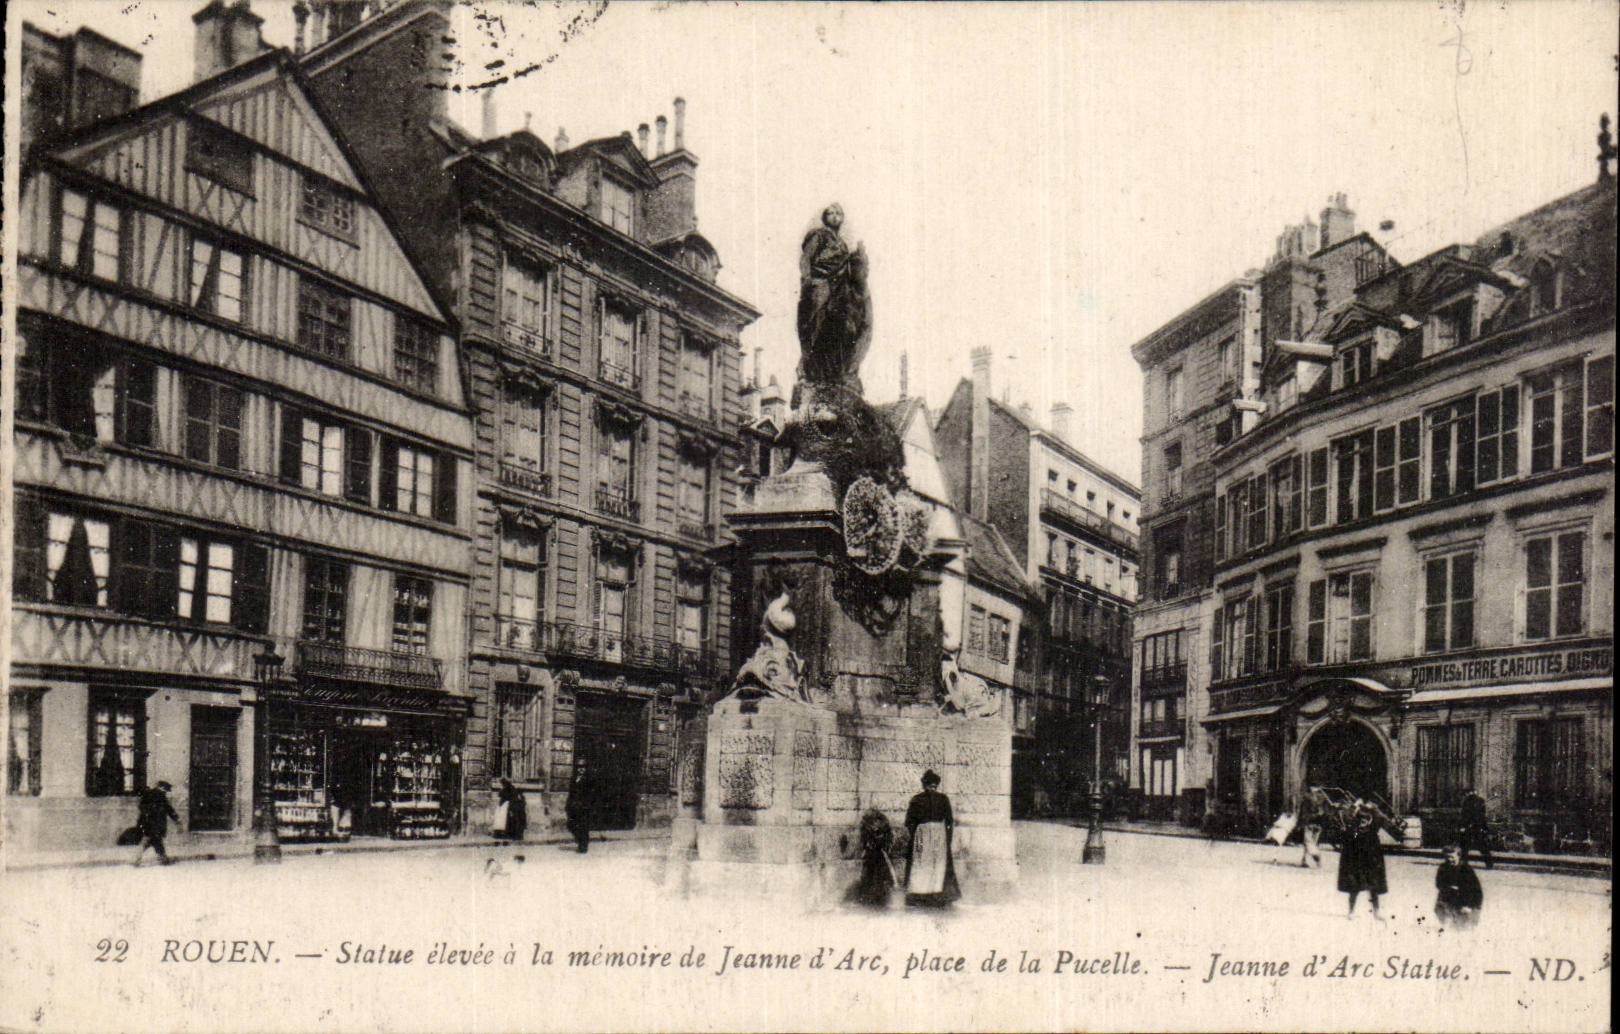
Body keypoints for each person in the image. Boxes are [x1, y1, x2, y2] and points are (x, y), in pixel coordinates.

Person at [795, 203, 872, 394]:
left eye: (839, 214)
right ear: (824, 217)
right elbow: (806, 260)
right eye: (832, 213)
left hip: (838, 287)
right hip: (820, 284)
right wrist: (808, 280)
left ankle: (838, 368)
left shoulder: (843, 244)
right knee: (816, 323)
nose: (836, 217)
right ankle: (810, 365)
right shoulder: (818, 235)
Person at [903, 770, 960, 908]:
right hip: (938, 835)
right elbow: (949, 821)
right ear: (936, 784)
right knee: (937, 863)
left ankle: (920, 894)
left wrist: (916, 835)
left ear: (924, 785)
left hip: (922, 834)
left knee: (922, 863)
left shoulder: (916, 799)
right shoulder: (943, 799)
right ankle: (936, 893)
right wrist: (947, 838)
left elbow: (909, 822)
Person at [1338, 799, 1397, 919]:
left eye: (1366, 819)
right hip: (1357, 862)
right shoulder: (1354, 830)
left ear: (1370, 820)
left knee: (1374, 887)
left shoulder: (1373, 829)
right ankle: (1351, 911)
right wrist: (1354, 806)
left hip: (1371, 862)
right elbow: (1346, 818)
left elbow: (1384, 820)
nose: (1363, 822)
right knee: (1354, 887)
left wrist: (1374, 808)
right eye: (1361, 819)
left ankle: (1376, 912)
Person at [848, 807, 896, 908]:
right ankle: (875, 897)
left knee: (876, 877)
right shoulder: (873, 827)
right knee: (873, 877)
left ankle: (875, 897)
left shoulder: (881, 827)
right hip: (874, 856)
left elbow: (887, 840)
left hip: (877, 856)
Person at [1434, 844, 1484, 930]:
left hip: (1470, 902)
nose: (1449, 860)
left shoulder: (1466, 869)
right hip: (1454, 899)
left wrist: (1468, 906)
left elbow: (1474, 890)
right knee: (1439, 909)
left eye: (1452, 857)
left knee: (1464, 928)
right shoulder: (1443, 868)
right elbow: (1439, 884)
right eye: (1447, 857)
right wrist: (1449, 888)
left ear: (1458, 856)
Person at [133, 781, 180, 867]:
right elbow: (168, 809)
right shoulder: (160, 796)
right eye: (165, 790)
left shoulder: (148, 794)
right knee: (152, 841)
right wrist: (176, 819)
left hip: (147, 823)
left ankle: (162, 859)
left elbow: (141, 807)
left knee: (152, 841)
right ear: (161, 788)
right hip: (154, 824)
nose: (166, 792)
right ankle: (162, 859)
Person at [1459, 789, 1493, 869]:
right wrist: (1485, 827)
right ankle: (1489, 863)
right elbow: (1483, 816)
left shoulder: (1466, 801)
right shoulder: (1481, 801)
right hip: (1478, 826)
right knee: (1481, 845)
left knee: (1465, 846)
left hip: (1469, 826)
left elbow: (1465, 816)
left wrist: (1462, 826)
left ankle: (1464, 863)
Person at [564, 763, 592, 854]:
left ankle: (583, 846)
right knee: (571, 824)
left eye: (583, 767)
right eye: (579, 767)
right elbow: (571, 793)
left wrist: (587, 804)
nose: (581, 769)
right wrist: (568, 804)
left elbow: (591, 793)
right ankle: (580, 840)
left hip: (584, 806)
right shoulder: (573, 779)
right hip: (574, 805)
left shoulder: (588, 779)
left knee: (583, 826)